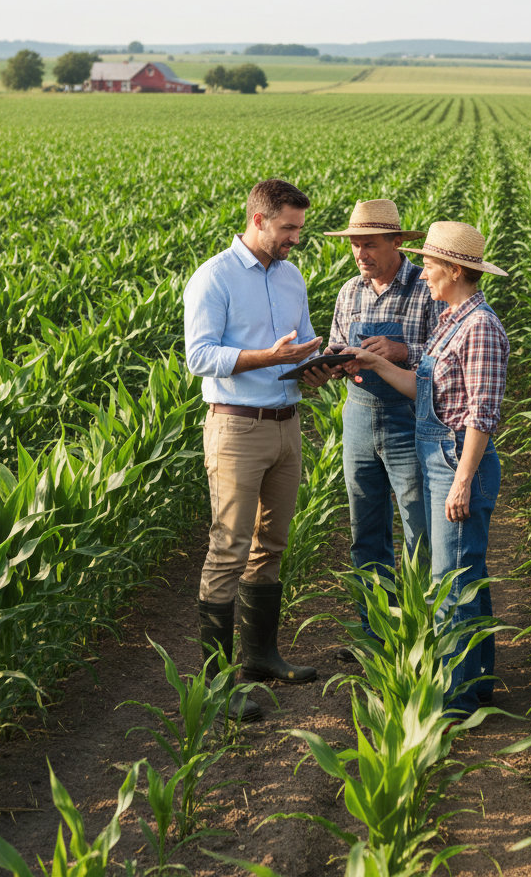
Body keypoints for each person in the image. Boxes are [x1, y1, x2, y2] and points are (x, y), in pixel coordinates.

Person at [342, 221, 509, 716]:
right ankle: (477, 685)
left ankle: (453, 701)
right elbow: (423, 386)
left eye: (431, 266)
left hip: (457, 456)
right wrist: (370, 363)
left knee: (451, 580)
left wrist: (461, 481)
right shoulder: (453, 318)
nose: (425, 275)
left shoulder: (480, 327)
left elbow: (481, 414)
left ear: (455, 271)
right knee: (464, 573)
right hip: (440, 452)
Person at [184, 178, 329, 721]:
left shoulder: (292, 278)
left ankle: (261, 656)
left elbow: (300, 343)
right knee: (228, 547)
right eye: (289, 228)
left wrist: (315, 367)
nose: (296, 238)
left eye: (299, 229)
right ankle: (217, 685)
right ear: (259, 219)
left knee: (272, 543)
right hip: (237, 428)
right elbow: (200, 356)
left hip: (286, 425)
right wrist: (266, 358)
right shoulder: (213, 278)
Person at [322, 200, 441, 658]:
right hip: (357, 414)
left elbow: (446, 359)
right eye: (355, 245)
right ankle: (373, 634)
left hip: (408, 417)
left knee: (418, 528)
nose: (360, 254)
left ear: (396, 243)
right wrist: (330, 365)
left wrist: (401, 349)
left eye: (369, 244)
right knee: (365, 526)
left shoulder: (426, 288)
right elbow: (337, 341)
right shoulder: (349, 291)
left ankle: (420, 631)